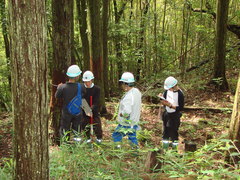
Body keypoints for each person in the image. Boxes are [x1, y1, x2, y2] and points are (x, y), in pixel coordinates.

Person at [55, 64, 85, 142]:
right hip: (78, 112)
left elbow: (57, 96)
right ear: (77, 76)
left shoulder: (62, 87)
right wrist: (88, 111)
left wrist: (58, 88)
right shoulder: (81, 86)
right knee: (77, 131)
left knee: (65, 130)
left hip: (66, 113)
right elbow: (84, 98)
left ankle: (65, 147)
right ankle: (77, 147)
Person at [112, 72, 142, 148]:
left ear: (126, 84)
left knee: (116, 136)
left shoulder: (129, 96)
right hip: (134, 121)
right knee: (132, 138)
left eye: (122, 83)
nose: (122, 86)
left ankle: (117, 151)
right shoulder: (136, 91)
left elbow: (127, 112)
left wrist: (121, 114)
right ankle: (135, 153)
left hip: (127, 123)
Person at [158, 76, 184, 150]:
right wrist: (161, 99)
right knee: (165, 132)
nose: (168, 89)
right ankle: (164, 149)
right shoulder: (167, 91)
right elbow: (164, 102)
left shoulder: (180, 94)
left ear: (174, 86)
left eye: (170, 88)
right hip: (167, 114)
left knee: (174, 133)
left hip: (175, 115)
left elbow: (181, 108)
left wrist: (171, 106)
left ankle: (174, 150)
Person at [81, 70, 103, 144]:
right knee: (84, 123)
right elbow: (82, 99)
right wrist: (87, 110)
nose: (87, 83)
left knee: (97, 124)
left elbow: (97, 101)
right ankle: (87, 138)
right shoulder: (81, 88)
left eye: (88, 81)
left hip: (94, 110)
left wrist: (91, 109)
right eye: (85, 82)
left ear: (91, 80)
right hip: (85, 110)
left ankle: (99, 138)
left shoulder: (97, 89)